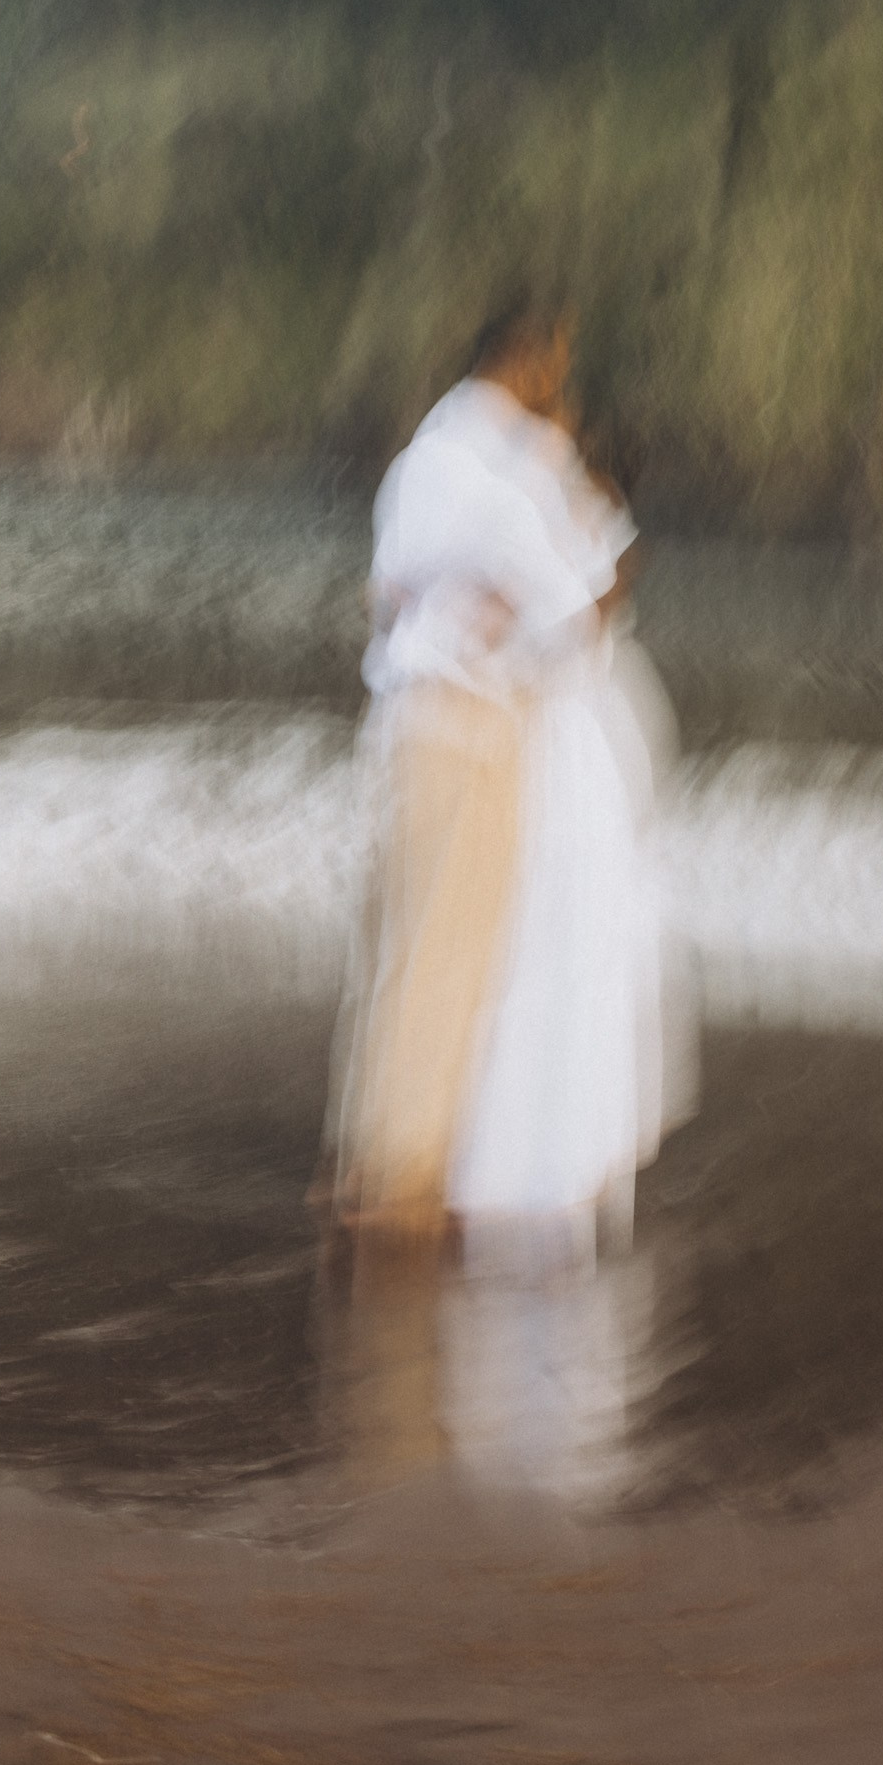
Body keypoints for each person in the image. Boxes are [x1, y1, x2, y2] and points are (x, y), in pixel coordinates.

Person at [326, 301, 689, 1257]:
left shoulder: (426, 458)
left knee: (402, 951)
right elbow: (570, 609)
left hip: (407, 724)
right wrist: (542, 595)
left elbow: (384, 598)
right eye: (554, 365)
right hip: (469, 727)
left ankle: (376, 1165)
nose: (557, 391)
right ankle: (402, 1187)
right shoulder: (491, 463)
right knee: (450, 957)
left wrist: (461, 607)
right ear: (522, 358)